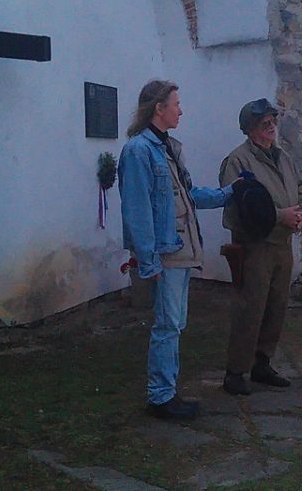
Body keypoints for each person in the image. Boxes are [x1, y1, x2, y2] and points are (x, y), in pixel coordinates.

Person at [118, 79, 234, 420]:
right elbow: (137, 212)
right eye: (176, 104)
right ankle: (161, 397)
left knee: (175, 323)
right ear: (159, 108)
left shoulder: (167, 148)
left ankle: (167, 392)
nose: (180, 110)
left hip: (181, 251)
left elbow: (188, 196)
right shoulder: (139, 151)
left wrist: (229, 192)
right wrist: (149, 262)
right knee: (167, 325)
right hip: (166, 254)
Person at [218, 98, 302, 396]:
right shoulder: (238, 162)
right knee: (250, 309)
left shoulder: (283, 158)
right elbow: (239, 210)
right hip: (254, 247)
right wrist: (279, 217)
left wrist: (300, 216)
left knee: (276, 307)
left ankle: (262, 363)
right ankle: (235, 372)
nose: (271, 127)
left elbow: (300, 189)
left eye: (272, 121)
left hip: (281, 245)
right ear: (250, 129)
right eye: (264, 124)